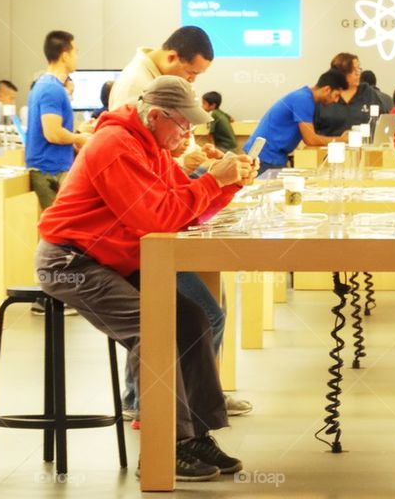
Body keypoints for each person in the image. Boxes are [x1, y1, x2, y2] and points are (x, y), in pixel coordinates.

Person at [35, 76, 256, 482]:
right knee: (151, 325)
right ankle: (163, 446)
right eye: (183, 125)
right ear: (155, 116)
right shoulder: (115, 146)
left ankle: (193, 435)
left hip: (108, 258)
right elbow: (154, 219)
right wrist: (213, 180)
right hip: (70, 262)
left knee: (192, 319)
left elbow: (183, 212)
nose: (188, 133)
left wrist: (228, 183)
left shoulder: (152, 146)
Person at [110, 26, 217, 175]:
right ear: (171, 57)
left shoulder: (165, 80)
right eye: (191, 72)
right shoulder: (135, 84)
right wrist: (180, 161)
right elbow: (128, 151)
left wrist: (195, 151)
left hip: (170, 172)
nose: (192, 80)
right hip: (152, 176)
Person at [25, 31, 87, 211]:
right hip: (50, 170)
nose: (77, 57)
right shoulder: (51, 88)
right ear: (65, 55)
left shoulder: (47, 85)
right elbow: (52, 133)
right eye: (75, 51)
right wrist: (81, 139)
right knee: (60, 229)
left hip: (52, 168)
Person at [245, 71, 349, 174]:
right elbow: (310, 139)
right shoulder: (303, 99)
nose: (336, 101)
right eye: (336, 95)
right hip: (265, 156)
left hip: (272, 155)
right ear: (327, 89)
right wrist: (341, 140)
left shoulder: (305, 97)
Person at [314, 53, 391, 136]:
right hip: (329, 146)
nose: (358, 74)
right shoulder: (327, 93)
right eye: (354, 70)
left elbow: (384, 121)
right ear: (341, 74)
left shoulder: (368, 93)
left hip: (364, 146)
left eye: (359, 69)